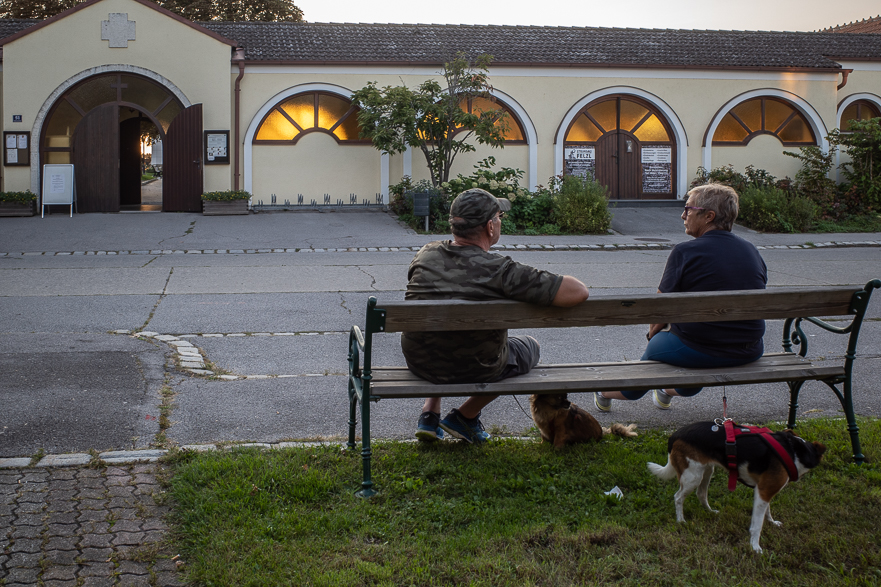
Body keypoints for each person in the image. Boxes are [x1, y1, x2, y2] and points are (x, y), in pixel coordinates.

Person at [403, 188, 590, 443]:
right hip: (478, 366)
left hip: (421, 361)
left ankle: (429, 412)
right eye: (499, 216)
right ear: (490, 227)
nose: (500, 221)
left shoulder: (425, 254)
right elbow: (578, 292)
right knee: (529, 347)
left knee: (441, 336)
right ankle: (465, 417)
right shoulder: (501, 270)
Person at [595, 182, 767, 411]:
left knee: (655, 358)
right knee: (689, 364)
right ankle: (666, 391)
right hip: (750, 350)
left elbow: (660, 308)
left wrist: (653, 336)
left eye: (688, 209)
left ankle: (604, 391)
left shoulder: (686, 252)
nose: (683, 215)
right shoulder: (750, 250)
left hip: (701, 350)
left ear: (709, 216)